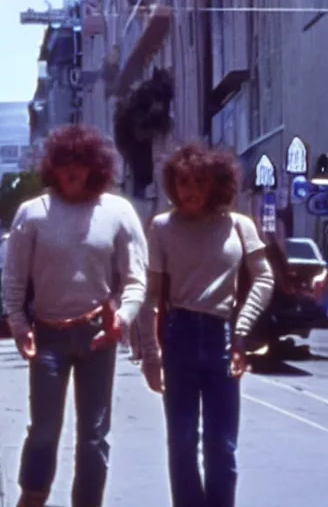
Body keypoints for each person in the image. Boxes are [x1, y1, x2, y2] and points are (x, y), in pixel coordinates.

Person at [2, 124, 148, 507]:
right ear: (52, 166)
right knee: (44, 430)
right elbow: (14, 276)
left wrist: (124, 318)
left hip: (98, 335)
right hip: (48, 335)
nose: (71, 170)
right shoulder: (32, 213)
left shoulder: (118, 212)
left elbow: (136, 278)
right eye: (63, 162)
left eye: (80, 163)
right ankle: (33, 496)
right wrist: (18, 324)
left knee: (95, 434)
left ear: (95, 166)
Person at [138, 142, 275, 507]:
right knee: (182, 441)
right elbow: (151, 295)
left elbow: (264, 278)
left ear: (216, 182)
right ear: (172, 185)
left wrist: (242, 332)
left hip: (222, 336)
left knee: (222, 445)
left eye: (199, 181)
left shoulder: (239, 225)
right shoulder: (162, 228)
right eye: (183, 182)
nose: (190, 190)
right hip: (178, 337)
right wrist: (151, 354)